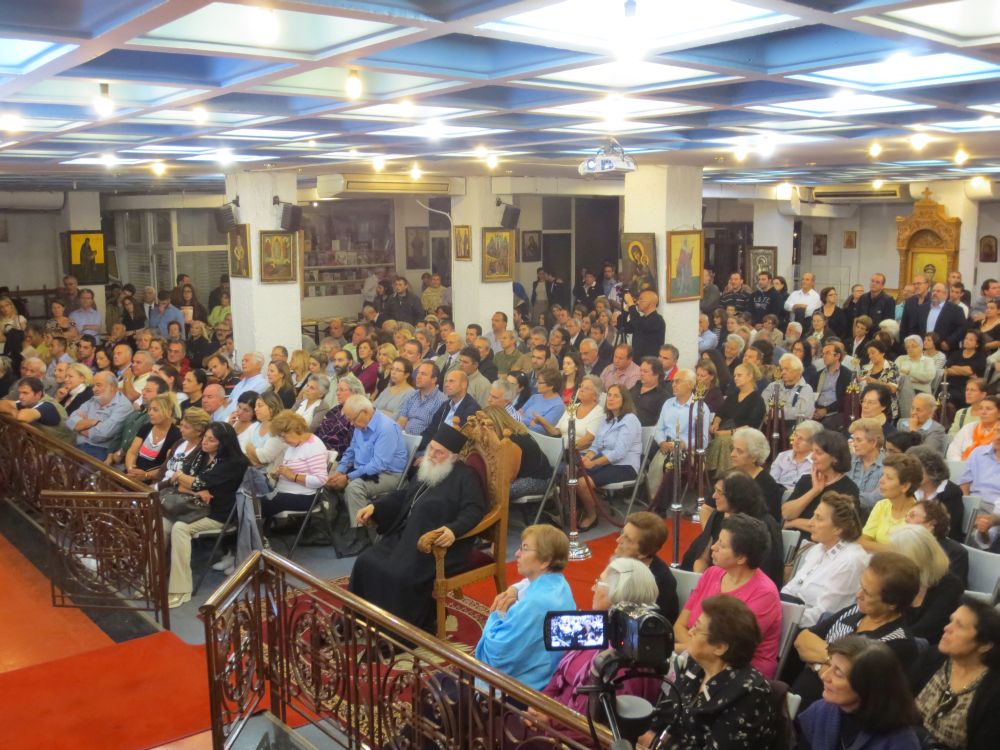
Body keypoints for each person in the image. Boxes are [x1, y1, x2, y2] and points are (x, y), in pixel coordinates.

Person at [349, 423, 487, 631]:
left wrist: (453, 529)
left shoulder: (466, 477)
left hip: (434, 546)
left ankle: (400, 632)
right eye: (431, 448)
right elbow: (405, 496)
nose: (431, 455)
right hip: (406, 536)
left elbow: (474, 510)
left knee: (398, 575)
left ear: (453, 457)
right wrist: (374, 507)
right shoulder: (429, 470)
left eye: (439, 452)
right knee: (365, 561)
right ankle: (362, 619)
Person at [790, 551, 920, 707]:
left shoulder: (898, 642)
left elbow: (855, 686)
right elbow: (802, 639)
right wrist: (833, 664)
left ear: (892, 603)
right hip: (795, 699)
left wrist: (816, 660)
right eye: (861, 586)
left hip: (833, 713)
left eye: (867, 593)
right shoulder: (855, 611)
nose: (858, 595)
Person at [477, 524, 575, 690]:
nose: (517, 553)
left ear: (545, 561)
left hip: (526, 688)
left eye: (525, 548)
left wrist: (498, 614)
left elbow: (496, 656)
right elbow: (527, 584)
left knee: (441, 686)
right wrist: (514, 589)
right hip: (550, 672)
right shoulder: (559, 583)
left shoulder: (535, 603)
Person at [162, 422, 248, 608]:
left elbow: (192, 481)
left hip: (218, 514)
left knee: (180, 528)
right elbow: (181, 485)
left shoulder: (234, 463)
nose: (205, 442)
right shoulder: (201, 454)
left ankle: (180, 590)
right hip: (192, 507)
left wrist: (183, 478)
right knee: (162, 522)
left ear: (223, 443)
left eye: (211, 440)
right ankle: (152, 576)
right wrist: (194, 489)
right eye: (205, 438)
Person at [796, 636, 922, 750]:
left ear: (867, 686)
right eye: (830, 666)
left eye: (838, 673)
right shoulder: (820, 711)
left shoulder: (900, 743)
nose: (825, 676)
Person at [328, 394, 408, 556]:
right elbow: (351, 451)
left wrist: (348, 477)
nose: (351, 424)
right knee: (329, 480)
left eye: (352, 419)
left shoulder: (386, 428)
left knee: (354, 488)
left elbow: (378, 465)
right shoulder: (360, 425)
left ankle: (362, 536)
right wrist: (340, 471)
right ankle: (336, 529)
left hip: (389, 474)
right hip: (366, 471)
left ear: (365, 412)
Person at [916, 598, 1000, 750]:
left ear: (985, 645)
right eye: (951, 621)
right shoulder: (932, 657)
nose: (947, 628)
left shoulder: (993, 693)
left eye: (959, 625)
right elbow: (899, 705)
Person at [782, 492, 869, 628]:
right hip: (791, 618)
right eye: (813, 516)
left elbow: (822, 616)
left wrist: (780, 616)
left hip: (810, 630)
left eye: (819, 518)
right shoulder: (818, 548)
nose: (810, 523)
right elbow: (791, 588)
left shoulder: (850, 561)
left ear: (838, 529)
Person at [683, 471, 785, 587]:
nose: (714, 496)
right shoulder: (718, 515)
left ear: (736, 496)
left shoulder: (761, 526)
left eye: (719, 492)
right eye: (715, 490)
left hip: (742, 586)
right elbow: (702, 558)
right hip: (712, 582)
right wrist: (702, 583)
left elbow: (761, 571)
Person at [574, 384, 642, 532]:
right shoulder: (607, 419)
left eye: (616, 396)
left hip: (625, 466)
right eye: (609, 395)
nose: (610, 399)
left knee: (582, 482)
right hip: (605, 461)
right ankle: (584, 508)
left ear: (624, 400)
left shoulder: (630, 420)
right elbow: (596, 446)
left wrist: (593, 463)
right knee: (571, 471)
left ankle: (592, 515)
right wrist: (588, 457)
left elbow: (619, 453)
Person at [889, 524, 963, 644]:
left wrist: (886, 638)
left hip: (924, 646)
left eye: (895, 557)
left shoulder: (950, 586)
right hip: (894, 640)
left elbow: (926, 630)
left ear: (914, 559)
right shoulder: (898, 578)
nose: (890, 562)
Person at [783, 430, 859, 532]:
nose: (812, 457)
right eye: (812, 451)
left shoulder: (848, 488)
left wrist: (795, 522)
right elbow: (786, 514)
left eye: (818, 453)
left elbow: (833, 527)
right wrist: (814, 491)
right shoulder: (806, 480)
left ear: (835, 458)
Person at [258, 410, 329, 519]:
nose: (282, 440)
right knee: (252, 496)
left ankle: (249, 528)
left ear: (296, 430)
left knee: (258, 504)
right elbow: (291, 470)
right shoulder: (293, 445)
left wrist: (292, 476)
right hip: (285, 492)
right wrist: (279, 475)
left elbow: (321, 480)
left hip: (304, 496)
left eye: (283, 436)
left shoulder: (314, 446)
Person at [613, 512, 679, 622]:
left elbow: (647, 625)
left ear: (643, 553)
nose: (618, 540)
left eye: (628, 539)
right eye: (622, 533)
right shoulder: (620, 561)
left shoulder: (660, 583)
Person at [706, 363, 766, 476]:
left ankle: (722, 474)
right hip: (722, 430)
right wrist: (716, 423)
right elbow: (720, 413)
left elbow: (751, 426)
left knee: (723, 441)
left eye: (739, 375)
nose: (735, 378)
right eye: (734, 376)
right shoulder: (733, 396)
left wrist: (728, 432)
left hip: (743, 435)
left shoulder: (757, 400)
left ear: (750, 376)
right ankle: (713, 472)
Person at [860, 452, 922, 552]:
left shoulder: (917, 515)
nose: (881, 481)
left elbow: (903, 553)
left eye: (889, 478)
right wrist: (888, 548)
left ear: (905, 486)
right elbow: (863, 541)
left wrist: (873, 546)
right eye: (883, 475)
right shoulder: (881, 505)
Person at [65, 371, 134, 459]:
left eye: (98, 385)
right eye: (93, 386)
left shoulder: (124, 406)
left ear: (112, 386)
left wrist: (80, 427)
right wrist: (93, 422)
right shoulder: (94, 399)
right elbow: (70, 421)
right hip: (76, 443)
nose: (94, 389)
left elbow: (102, 434)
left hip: (99, 450)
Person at [123, 393, 181, 482]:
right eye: (150, 409)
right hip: (133, 475)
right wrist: (130, 469)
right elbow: (132, 452)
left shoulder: (177, 435)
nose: (150, 413)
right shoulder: (146, 427)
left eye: (155, 410)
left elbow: (167, 466)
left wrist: (146, 475)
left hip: (154, 480)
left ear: (169, 412)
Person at [730, 426, 784, 520]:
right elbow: (707, 507)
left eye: (739, 451)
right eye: (733, 449)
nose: (732, 454)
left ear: (754, 457)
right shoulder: (729, 476)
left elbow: (765, 521)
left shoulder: (767, 486)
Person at [0, 376, 73, 443]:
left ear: (38, 394)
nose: (20, 397)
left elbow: (22, 417)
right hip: (43, 447)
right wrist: (13, 411)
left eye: (25, 393)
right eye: (20, 393)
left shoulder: (48, 406)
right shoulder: (29, 401)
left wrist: (13, 411)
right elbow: (2, 404)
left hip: (61, 450)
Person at [761, 353, 817, 428]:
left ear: (798, 371)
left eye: (787, 369)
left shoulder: (806, 389)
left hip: (793, 429)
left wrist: (775, 413)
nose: (783, 372)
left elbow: (803, 412)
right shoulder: (773, 386)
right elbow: (762, 404)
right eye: (782, 369)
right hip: (770, 426)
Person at [770, 419, 823, 491]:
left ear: (814, 443)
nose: (796, 441)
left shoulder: (817, 462)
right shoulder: (782, 456)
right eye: (795, 435)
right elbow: (772, 482)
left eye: (801, 438)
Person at [947, 394, 999, 460]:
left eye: (988, 409)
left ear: (999, 413)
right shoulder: (968, 428)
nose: (983, 412)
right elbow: (953, 451)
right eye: (981, 408)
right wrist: (963, 464)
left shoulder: (998, 433)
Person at [945, 330, 986, 407]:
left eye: (971, 340)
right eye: (966, 338)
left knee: (955, 397)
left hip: (967, 387)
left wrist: (954, 367)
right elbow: (946, 370)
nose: (966, 341)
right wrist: (964, 372)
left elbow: (969, 371)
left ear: (977, 344)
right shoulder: (956, 353)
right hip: (950, 385)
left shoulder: (980, 357)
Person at [519, 368, 566, 434]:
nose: (535, 385)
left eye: (539, 382)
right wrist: (530, 421)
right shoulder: (535, 397)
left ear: (551, 386)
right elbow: (518, 414)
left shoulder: (558, 406)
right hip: (520, 430)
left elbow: (541, 429)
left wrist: (522, 419)